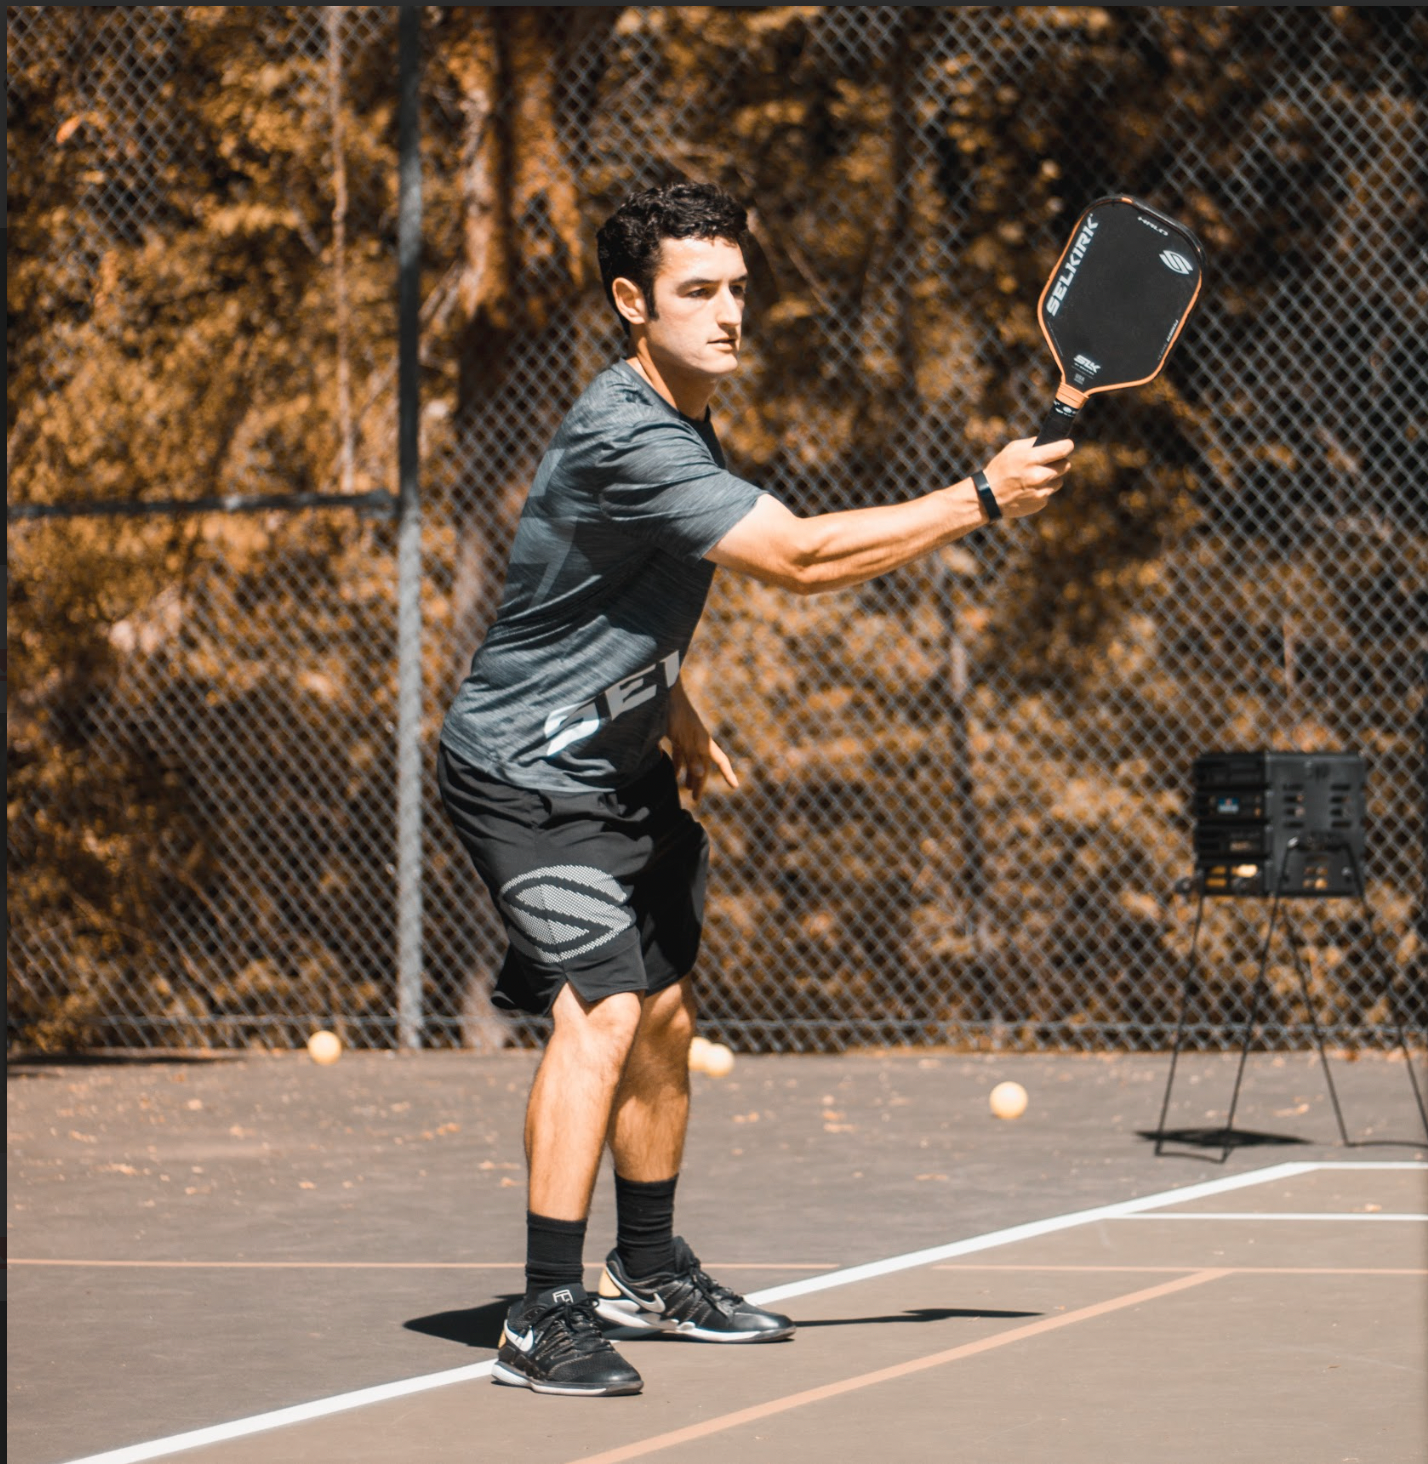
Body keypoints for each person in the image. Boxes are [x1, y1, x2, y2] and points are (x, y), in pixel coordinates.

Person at [436, 180, 1071, 1397]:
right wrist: (977, 498)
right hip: (525, 775)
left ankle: (653, 1265)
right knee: (603, 1012)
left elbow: (600, 595)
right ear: (632, 303)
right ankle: (542, 1312)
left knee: (665, 1016)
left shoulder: (687, 418)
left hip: (621, 769)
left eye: (736, 288)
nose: (730, 313)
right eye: (697, 292)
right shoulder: (628, 431)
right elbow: (795, 557)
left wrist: (675, 711)